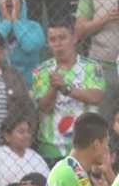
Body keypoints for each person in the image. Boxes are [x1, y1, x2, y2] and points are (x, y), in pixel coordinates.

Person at [31, 19, 104, 159]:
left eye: (62, 38)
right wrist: (53, 87)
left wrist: (66, 89)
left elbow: (96, 97)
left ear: (74, 38)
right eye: (52, 39)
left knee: (84, 181)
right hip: (52, 147)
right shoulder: (41, 71)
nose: (58, 44)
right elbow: (45, 107)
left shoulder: (92, 67)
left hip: (86, 145)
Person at [0, 0, 44, 87]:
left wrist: (16, 21)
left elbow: (30, 46)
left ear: (21, 3)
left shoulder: (34, 26)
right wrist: (6, 23)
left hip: (29, 82)